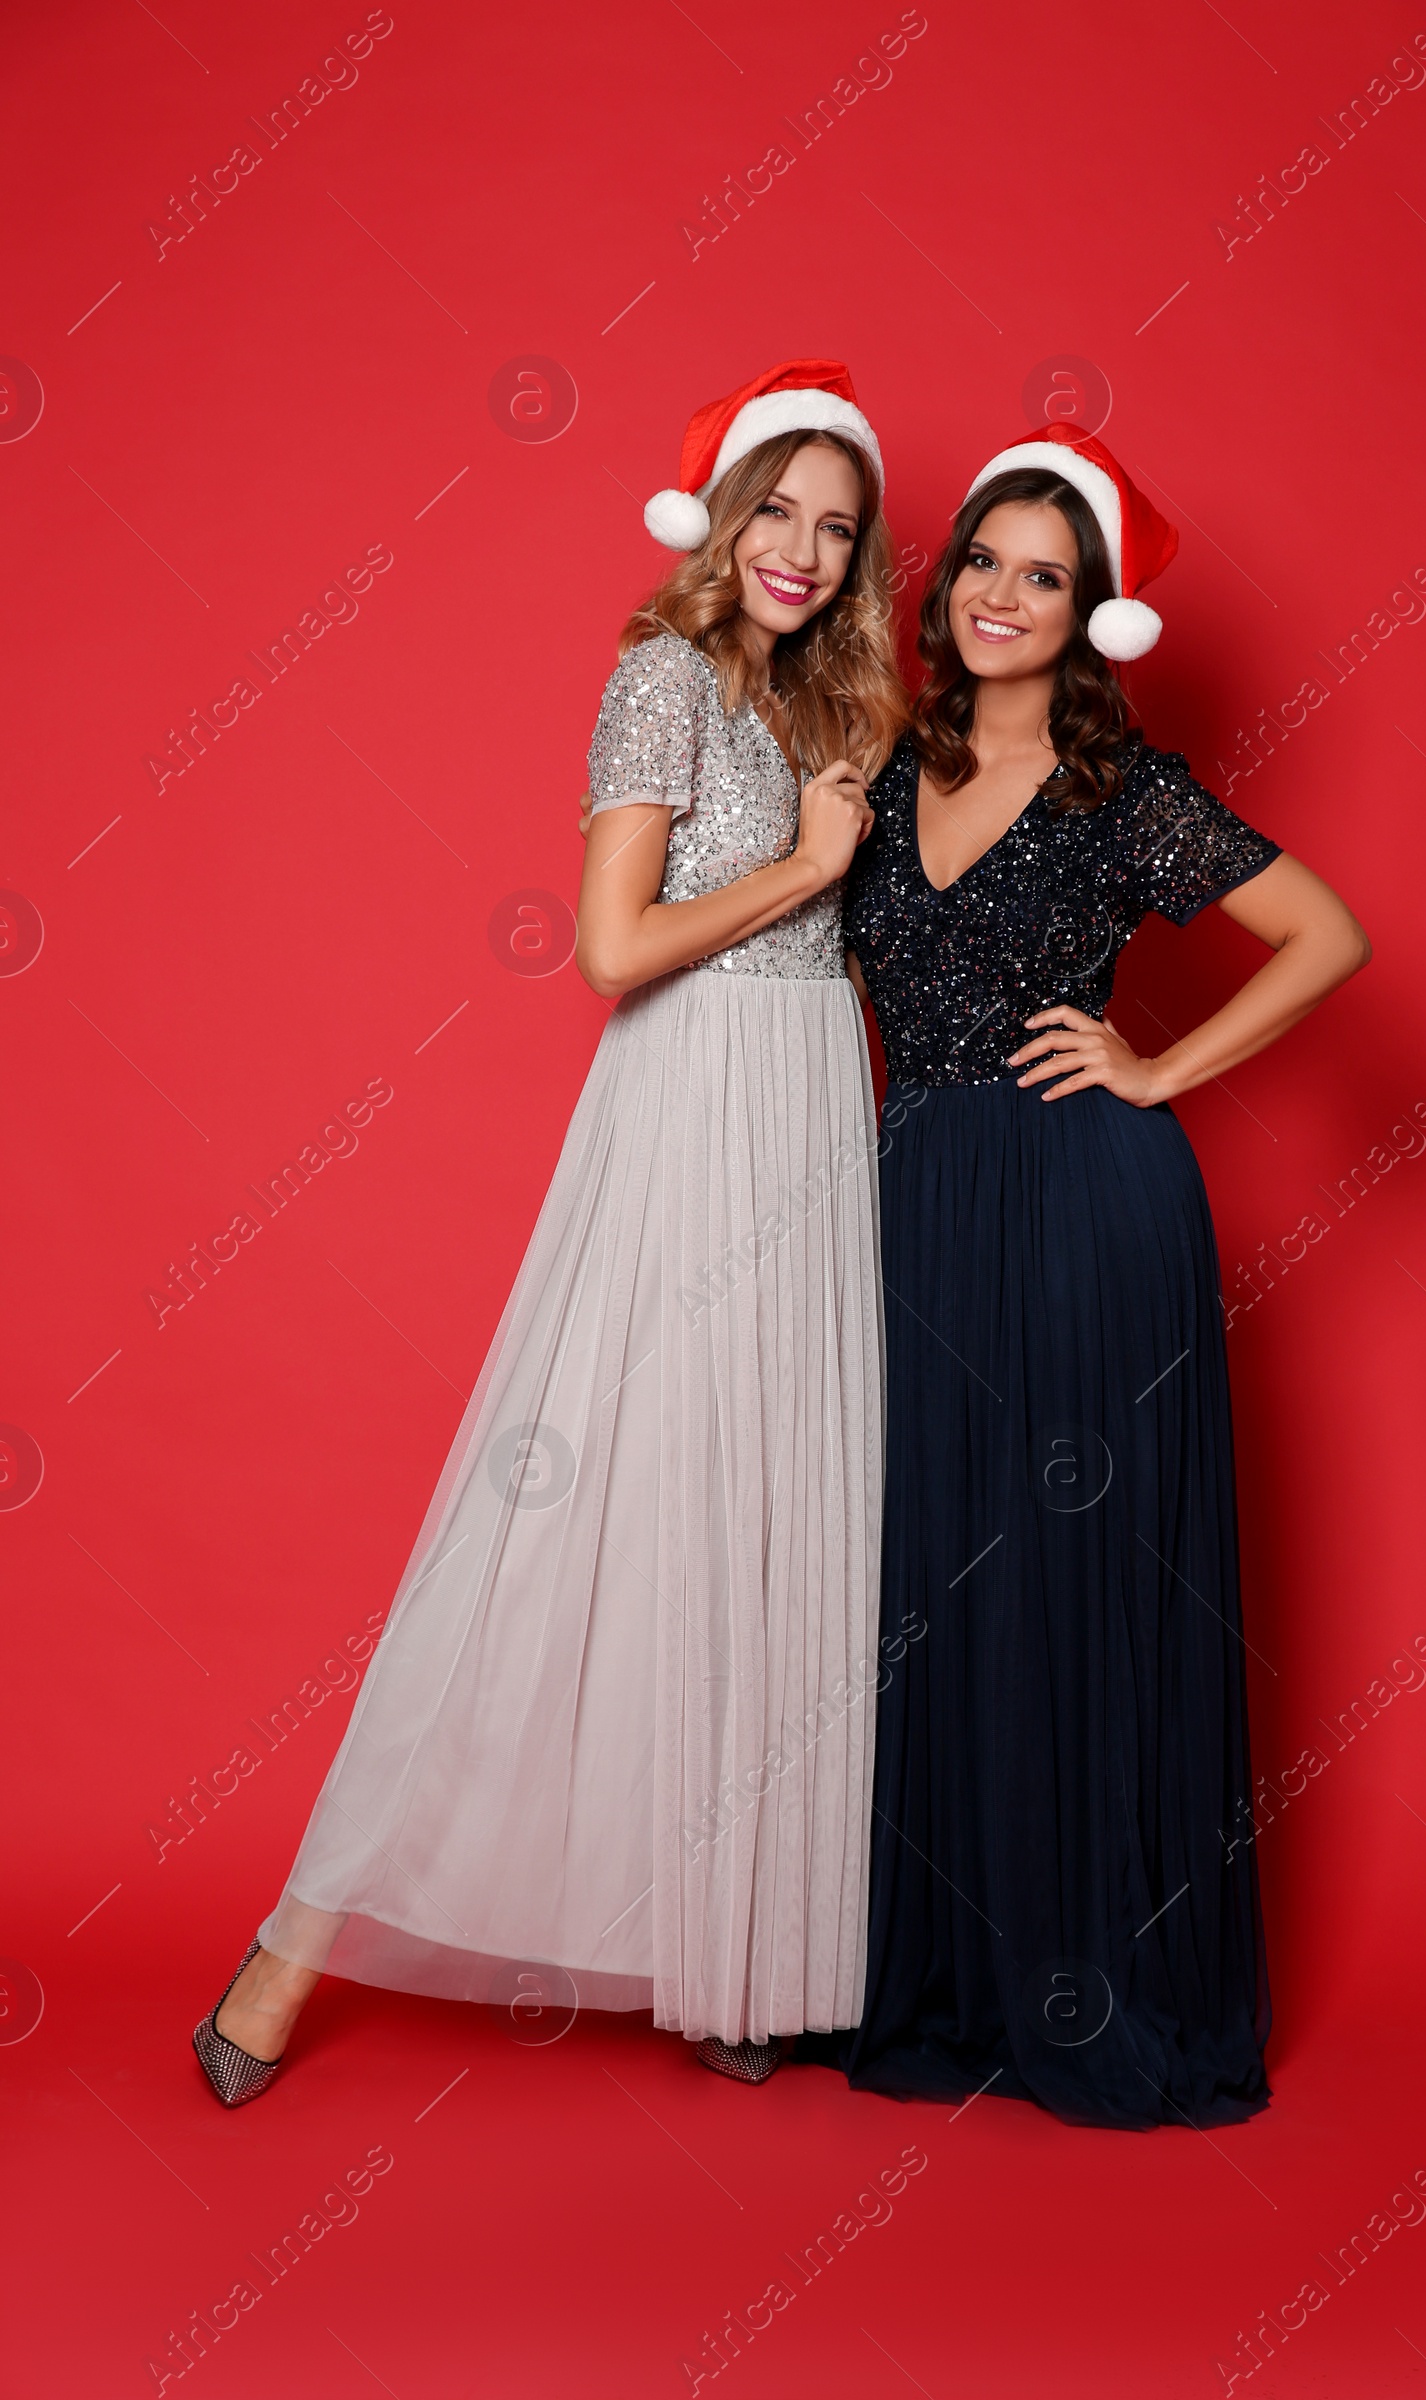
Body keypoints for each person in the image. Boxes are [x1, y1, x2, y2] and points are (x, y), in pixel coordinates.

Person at [193, 360, 907, 2105]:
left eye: (837, 525)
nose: (802, 550)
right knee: (588, 1493)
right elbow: (609, 948)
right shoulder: (659, 676)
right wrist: (811, 871)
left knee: (766, 1508)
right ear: (723, 515)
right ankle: (293, 1951)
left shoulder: (840, 709)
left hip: (818, 1108)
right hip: (687, 1107)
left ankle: (739, 1950)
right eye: (779, 511)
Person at [819, 424, 1370, 2127]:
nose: (1001, 594)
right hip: (915, 1205)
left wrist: (1154, 1069)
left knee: (1064, 1578)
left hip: (1080, 1207)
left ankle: (1096, 1987)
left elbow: (1330, 937)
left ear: (1093, 613)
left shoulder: (1120, 793)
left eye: (1044, 575)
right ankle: (950, 1974)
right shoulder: (872, 760)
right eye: (983, 558)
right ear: (944, 578)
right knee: (928, 1585)